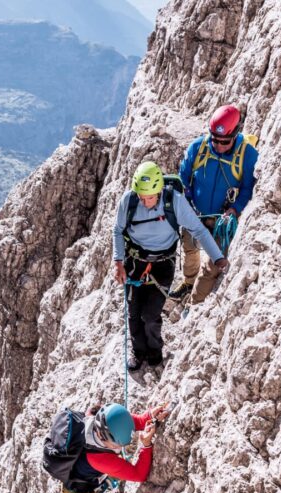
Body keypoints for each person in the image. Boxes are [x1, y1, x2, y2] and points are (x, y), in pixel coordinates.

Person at [112, 161, 227, 371]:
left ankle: (155, 352)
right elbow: (118, 231)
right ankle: (138, 353)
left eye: (149, 197)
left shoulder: (174, 202)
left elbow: (199, 230)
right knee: (134, 312)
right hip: (135, 262)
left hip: (163, 264)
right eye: (141, 197)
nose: (145, 202)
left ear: (158, 191)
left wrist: (218, 258)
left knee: (151, 314)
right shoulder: (129, 201)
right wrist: (118, 262)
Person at [168, 104, 258, 304]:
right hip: (196, 213)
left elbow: (247, 189)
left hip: (222, 221)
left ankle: (194, 303)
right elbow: (183, 176)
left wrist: (235, 209)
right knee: (189, 247)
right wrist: (186, 197)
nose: (217, 145)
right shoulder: (198, 147)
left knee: (212, 265)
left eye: (224, 141)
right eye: (215, 139)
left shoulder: (248, 156)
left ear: (235, 134)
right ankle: (189, 282)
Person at [52, 403, 172, 493]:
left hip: (82, 473)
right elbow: (138, 475)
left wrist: (149, 416)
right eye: (117, 443)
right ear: (103, 436)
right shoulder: (99, 459)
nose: (120, 446)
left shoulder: (103, 417)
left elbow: (124, 423)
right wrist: (146, 445)